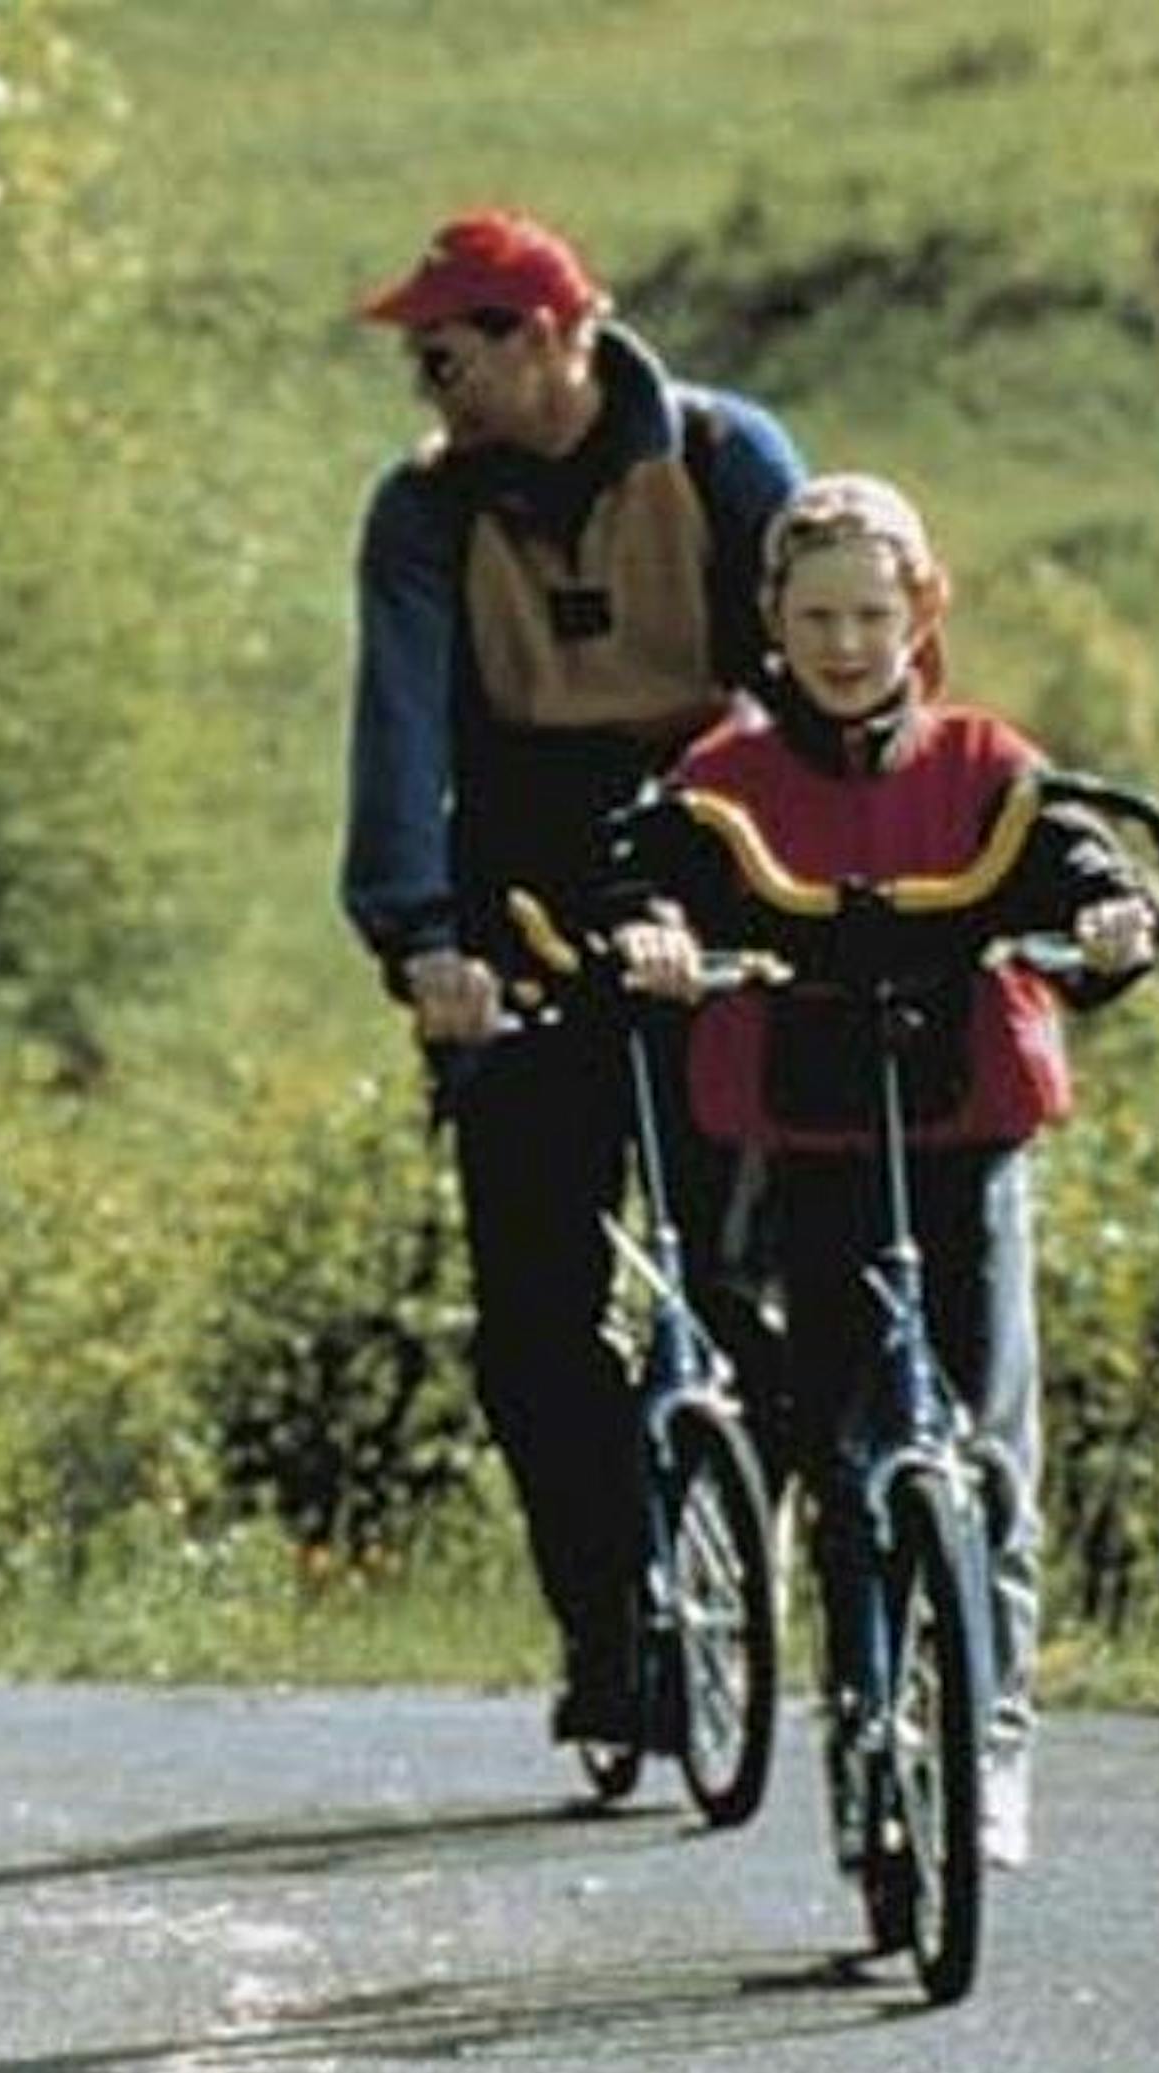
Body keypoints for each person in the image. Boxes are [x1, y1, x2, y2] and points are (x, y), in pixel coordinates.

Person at [608, 472, 1157, 1867]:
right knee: (854, 1459)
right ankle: (866, 1736)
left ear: (921, 615)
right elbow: (650, 870)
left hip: (964, 1132)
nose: (847, 643)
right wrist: (657, 934)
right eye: (816, 616)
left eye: (872, 612)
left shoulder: (980, 764)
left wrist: (1102, 910)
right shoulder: (727, 778)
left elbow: (1072, 849)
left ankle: (993, 1747)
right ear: (772, 625)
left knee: (983, 1445)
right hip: (813, 1143)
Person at [337, 208, 806, 1747]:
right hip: (519, 890)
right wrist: (421, 942)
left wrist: (815, 897)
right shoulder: (423, 516)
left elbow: (815, 676)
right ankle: (614, 1627)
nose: (426, 380)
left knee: (741, 1281)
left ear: (544, 339)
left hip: (721, 856)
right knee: (534, 1321)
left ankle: (748, 1545)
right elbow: (399, 735)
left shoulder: (728, 461)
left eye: (445, 350)